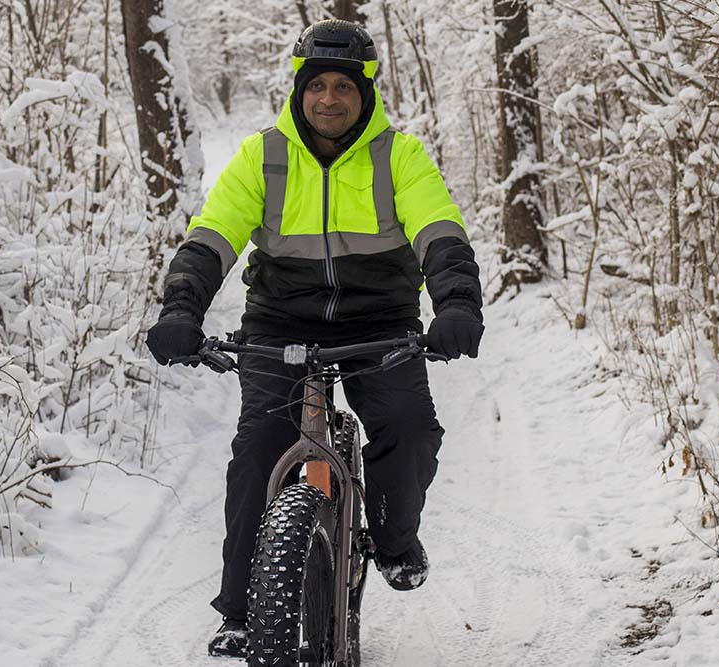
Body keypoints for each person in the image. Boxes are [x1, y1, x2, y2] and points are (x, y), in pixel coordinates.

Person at [145, 19, 483, 659]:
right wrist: (181, 310)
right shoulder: (263, 156)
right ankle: (243, 611)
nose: (330, 99)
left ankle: (392, 539)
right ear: (298, 89)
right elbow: (211, 236)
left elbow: (440, 231)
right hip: (280, 323)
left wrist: (457, 303)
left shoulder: (399, 157)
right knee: (257, 453)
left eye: (345, 87)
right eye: (317, 85)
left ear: (367, 94)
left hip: (379, 322)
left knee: (408, 425)